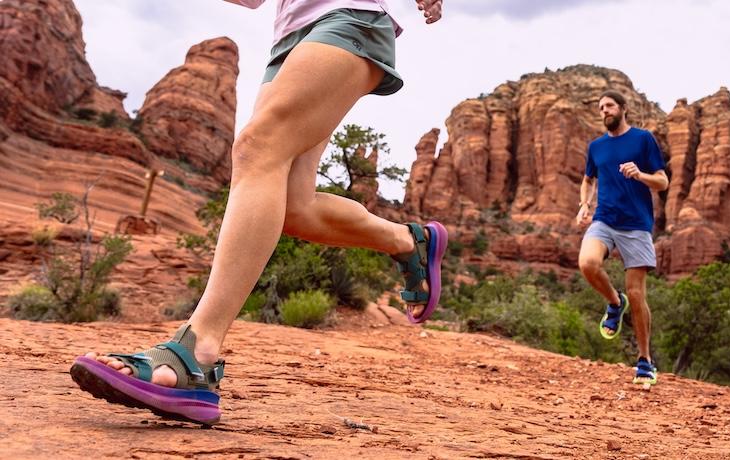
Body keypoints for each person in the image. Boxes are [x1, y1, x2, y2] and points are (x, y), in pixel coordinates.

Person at [70, 0, 448, 425]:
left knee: (257, 148)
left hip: (351, 15)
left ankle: (197, 348)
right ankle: (407, 241)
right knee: (294, 208)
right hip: (290, 34)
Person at [575, 90, 668, 385]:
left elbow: (663, 181)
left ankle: (644, 360)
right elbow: (588, 179)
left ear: (623, 109)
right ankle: (615, 303)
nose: (604, 111)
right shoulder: (596, 147)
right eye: (601, 107)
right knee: (588, 263)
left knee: (639, 296)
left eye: (610, 105)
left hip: (637, 225)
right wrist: (585, 204)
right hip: (605, 219)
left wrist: (640, 174)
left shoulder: (643, 139)